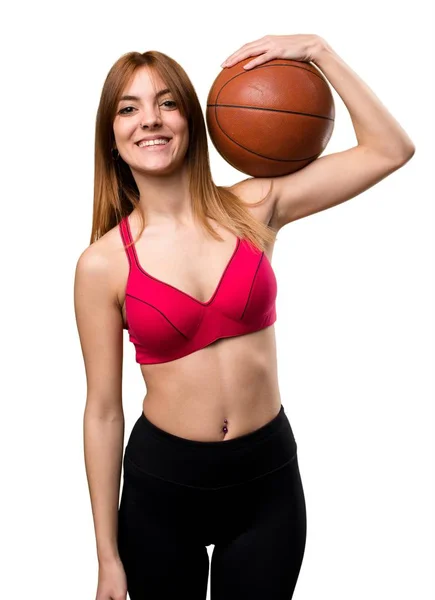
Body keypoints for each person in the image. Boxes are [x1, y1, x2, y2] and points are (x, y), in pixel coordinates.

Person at [74, 34, 415, 600]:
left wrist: (318, 52)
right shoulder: (101, 265)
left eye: (167, 102)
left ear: (193, 118)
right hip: (163, 488)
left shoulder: (255, 208)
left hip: (267, 484)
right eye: (128, 109)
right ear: (110, 136)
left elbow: (390, 150)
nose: (150, 121)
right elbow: (103, 413)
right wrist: (106, 556)